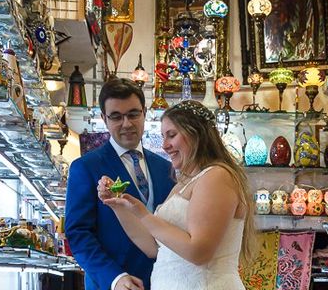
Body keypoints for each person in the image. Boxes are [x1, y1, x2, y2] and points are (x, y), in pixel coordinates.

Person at [97, 100, 256, 290]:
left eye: (171, 135)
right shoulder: (184, 183)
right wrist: (118, 205)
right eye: (163, 137)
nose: (165, 145)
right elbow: (153, 247)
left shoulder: (217, 176)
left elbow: (199, 252)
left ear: (196, 134)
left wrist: (143, 214)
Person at [66, 78, 175, 290]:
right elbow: (78, 234)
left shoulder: (166, 168)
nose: (126, 123)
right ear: (104, 119)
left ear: (145, 113)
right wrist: (114, 278)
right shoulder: (85, 167)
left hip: (165, 282)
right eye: (116, 116)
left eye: (133, 114)